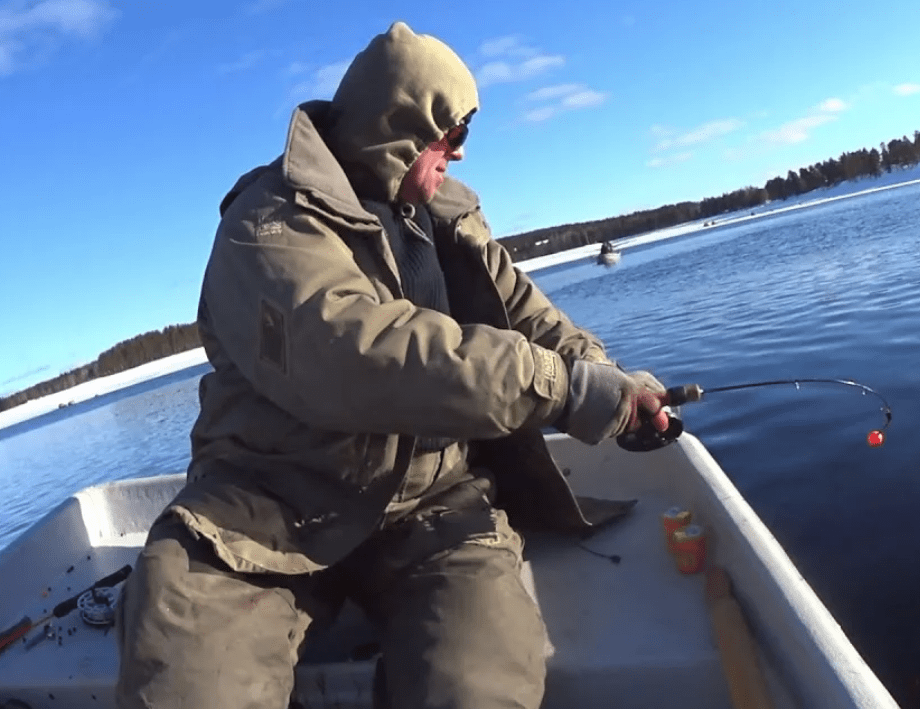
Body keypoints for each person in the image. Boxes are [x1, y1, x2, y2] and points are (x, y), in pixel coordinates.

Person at [114, 21, 669, 709]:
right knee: (187, 690)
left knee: (478, 688)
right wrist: (560, 387)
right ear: (400, 128)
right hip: (263, 509)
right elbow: (365, 355)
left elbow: (527, 314)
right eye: (451, 136)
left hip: (431, 504)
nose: (460, 156)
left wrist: (613, 381)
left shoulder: (446, 216)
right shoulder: (266, 229)